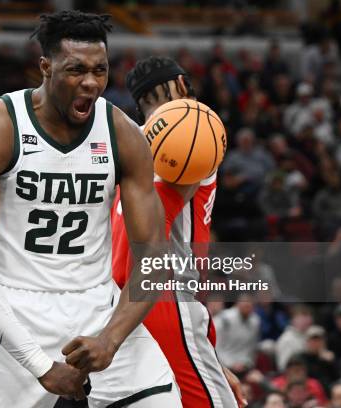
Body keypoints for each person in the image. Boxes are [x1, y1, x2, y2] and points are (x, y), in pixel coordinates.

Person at [0, 10, 179, 408]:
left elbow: (154, 258)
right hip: (17, 313)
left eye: (100, 71)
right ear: (45, 67)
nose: (91, 82)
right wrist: (39, 363)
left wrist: (110, 339)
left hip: (98, 305)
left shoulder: (123, 133)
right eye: (76, 70)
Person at [111, 55, 243, 407]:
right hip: (166, 294)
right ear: (183, 85)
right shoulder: (193, 128)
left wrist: (208, 357)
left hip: (122, 304)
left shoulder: (127, 142)